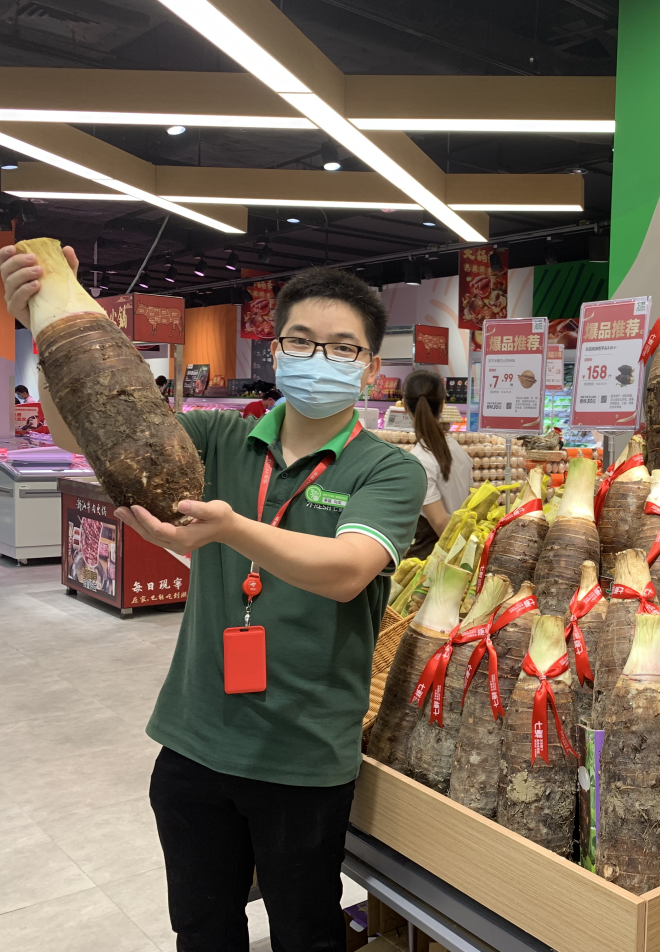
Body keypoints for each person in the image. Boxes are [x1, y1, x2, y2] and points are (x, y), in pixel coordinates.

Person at [1, 247, 426, 952]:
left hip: (302, 754)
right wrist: (48, 337)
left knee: (306, 934)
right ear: (276, 348)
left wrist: (232, 528)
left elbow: (348, 571)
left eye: (342, 347)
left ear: (370, 366)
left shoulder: (386, 469)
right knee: (202, 930)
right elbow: (88, 435)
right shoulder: (218, 436)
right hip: (194, 738)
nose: (318, 358)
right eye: (301, 341)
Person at [402, 369, 472, 559]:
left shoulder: (419, 459)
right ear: (442, 406)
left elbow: (440, 522)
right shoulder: (457, 449)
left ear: (405, 406)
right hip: (457, 546)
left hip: (432, 557)